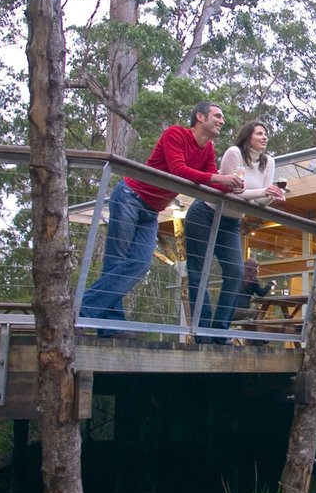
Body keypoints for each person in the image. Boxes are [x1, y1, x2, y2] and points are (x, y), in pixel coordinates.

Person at [79, 102, 243, 338]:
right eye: (217, 115)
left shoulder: (208, 149)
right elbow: (178, 170)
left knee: (141, 263)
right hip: (130, 197)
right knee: (116, 263)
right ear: (199, 116)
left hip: (152, 210)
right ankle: (107, 325)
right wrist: (219, 178)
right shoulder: (175, 134)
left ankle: (85, 310)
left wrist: (234, 187)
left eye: (222, 117)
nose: (222, 120)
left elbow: (210, 182)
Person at [184, 120, 285, 343]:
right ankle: (202, 332)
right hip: (206, 213)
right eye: (259, 133)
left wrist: (272, 195)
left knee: (235, 272)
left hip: (231, 221)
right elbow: (229, 192)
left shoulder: (269, 162)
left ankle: (219, 331)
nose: (264, 137)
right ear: (248, 135)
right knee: (198, 272)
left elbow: (259, 201)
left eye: (266, 133)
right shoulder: (234, 153)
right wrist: (262, 191)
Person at [232, 258, 272, 322]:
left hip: (230, 311)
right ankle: (254, 330)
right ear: (254, 269)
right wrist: (269, 285)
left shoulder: (238, 277)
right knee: (259, 312)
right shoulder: (253, 280)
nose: (258, 270)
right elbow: (261, 293)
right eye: (258, 268)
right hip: (242, 311)